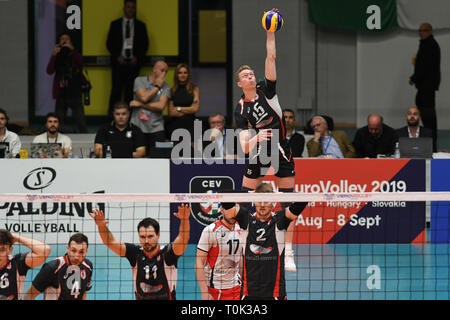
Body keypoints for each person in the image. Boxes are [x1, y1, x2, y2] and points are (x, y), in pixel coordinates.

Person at [220, 183, 308, 299]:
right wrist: (249, 194)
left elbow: (304, 199)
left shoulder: (280, 219)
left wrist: (280, 195)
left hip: (275, 294)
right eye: (259, 200)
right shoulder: (245, 218)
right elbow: (224, 196)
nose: (262, 205)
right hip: (248, 293)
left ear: (273, 202)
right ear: (254, 201)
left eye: (266, 201)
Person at [89, 204, 190, 300]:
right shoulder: (135, 253)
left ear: (158, 235)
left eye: (150, 236)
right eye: (142, 237)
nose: (146, 241)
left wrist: (184, 220)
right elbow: (110, 242)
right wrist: (101, 226)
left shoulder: (167, 253)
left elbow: (183, 239)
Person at [107, 0, 149, 117]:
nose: (130, 10)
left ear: (134, 9)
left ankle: (130, 118)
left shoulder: (141, 26)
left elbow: (145, 45)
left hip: (133, 65)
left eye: (132, 7)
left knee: (131, 93)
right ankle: (111, 118)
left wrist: (137, 58)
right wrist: (117, 57)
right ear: (124, 8)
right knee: (116, 92)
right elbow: (109, 43)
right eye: (128, 7)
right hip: (118, 64)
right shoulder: (115, 24)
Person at [196, 202, 243, 300]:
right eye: (228, 210)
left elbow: (239, 256)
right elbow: (199, 262)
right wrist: (204, 293)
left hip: (236, 287)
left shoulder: (242, 229)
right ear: (221, 209)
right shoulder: (210, 230)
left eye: (234, 210)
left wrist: (244, 280)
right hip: (215, 288)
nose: (232, 214)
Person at [24, 233, 93, 300]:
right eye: (73, 251)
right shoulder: (51, 268)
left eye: (81, 252)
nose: (76, 257)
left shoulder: (88, 266)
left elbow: (83, 292)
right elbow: (28, 296)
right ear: (67, 249)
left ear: (86, 252)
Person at [47, 32, 88, 133]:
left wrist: (72, 50)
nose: (64, 41)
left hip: (75, 91)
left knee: (80, 120)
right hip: (61, 92)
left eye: (67, 39)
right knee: (59, 120)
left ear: (71, 42)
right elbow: (49, 71)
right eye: (62, 39)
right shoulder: (57, 54)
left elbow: (81, 63)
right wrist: (54, 55)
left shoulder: (74, 53)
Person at [409, 23, 440, 152]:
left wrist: (414, 78)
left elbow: (424, 67)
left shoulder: (430, 45)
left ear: (430, 31)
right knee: (426, 116)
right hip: (425, 87)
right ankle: (430, 144)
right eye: (420, 30)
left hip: (427, 87)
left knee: (428, 117)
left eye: (425, 30)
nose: (422, 33)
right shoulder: (426, 44)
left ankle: (432, 146)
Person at [130, 60, 170, 152]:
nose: (164, 74)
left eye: (166, 71)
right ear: (154, 69)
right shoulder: (139, 80)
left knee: (158, 155)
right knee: (139, 155)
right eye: (162, 70)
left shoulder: (166, 86)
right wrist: (157, 86)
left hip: (157, 127)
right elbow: (144, 97)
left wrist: (140, 104)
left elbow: (161, 106)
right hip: (138, 125)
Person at [0, 229, 51, 300]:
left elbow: (45, 250)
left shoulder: (17, 263)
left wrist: (16, 238)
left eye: (2, 250)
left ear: (10, 250)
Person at [167, 63, 200, 145]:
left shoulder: (194, 89)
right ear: (176, 75)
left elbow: (195, 109)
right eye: (180, 73)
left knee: (193, 151)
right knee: (176, 152)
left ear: (188, 74)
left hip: (191, 124)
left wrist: (178, 109)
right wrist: (189, 109)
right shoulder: (172, 90)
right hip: (176, 125)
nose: (183, 75)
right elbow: (171, 112)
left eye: (185, 72)